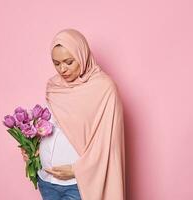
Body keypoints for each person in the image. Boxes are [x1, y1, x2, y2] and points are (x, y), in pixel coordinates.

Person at [21, 28, 126, 200]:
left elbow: (108, 143)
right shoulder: (54, 86)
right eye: (56, 63)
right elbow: (52, 125)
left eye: (69, 62)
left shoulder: (104, 88)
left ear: (82, 55)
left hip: (78, 183)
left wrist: (77, 170)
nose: (62, 69)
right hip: (47, 181)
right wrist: (33, 148)